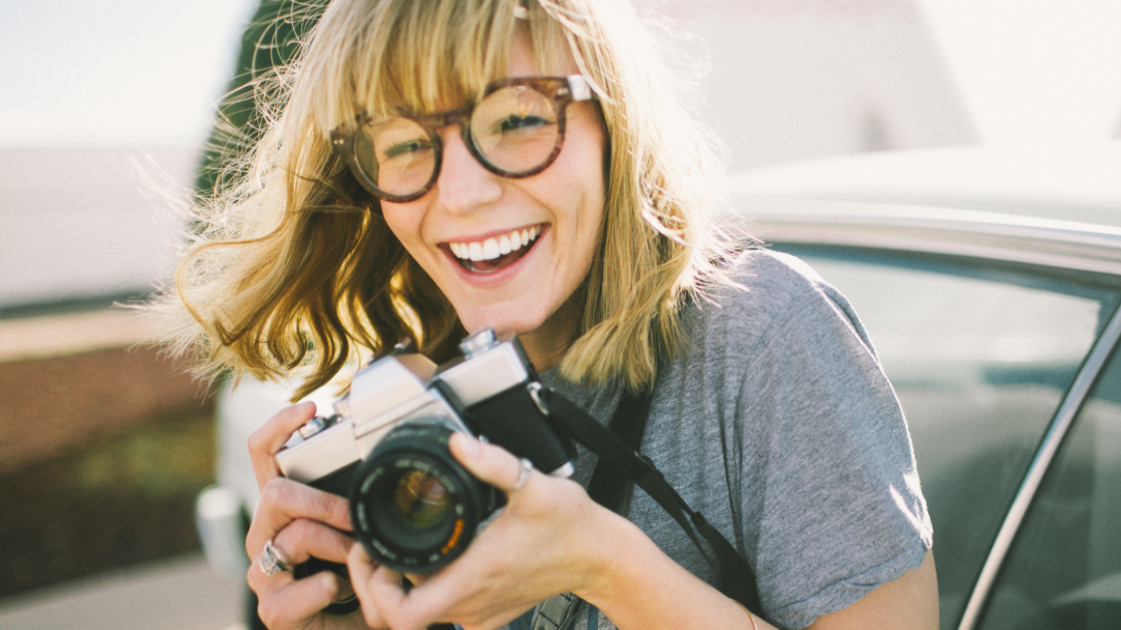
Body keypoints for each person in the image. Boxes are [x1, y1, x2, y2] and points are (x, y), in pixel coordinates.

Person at [157, 0, 938, 628]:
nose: (459, 194)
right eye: (401, 145)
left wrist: (602, 566)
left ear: (614, 125)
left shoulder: (760, 335)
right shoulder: (411, 406)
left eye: (519, 120)